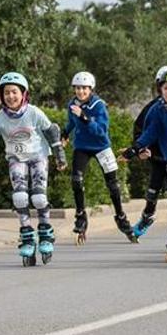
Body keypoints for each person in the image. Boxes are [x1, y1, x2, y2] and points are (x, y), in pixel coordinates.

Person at [0, 73, 66, 264]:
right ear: (1, 96)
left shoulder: (34, 113)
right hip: (16, 159)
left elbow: (52, 132)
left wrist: (60, 156)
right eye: (6, 93)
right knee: (20, 197)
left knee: (38, 197)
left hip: (38, 157)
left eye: (14, 92)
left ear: (24, 94)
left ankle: (45, 233)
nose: (10, 96)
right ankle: (27, 237)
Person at [121, 66, 167, 260]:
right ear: (159, 88)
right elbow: (145, 131)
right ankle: (163, 225)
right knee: (158, 191)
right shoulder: (155, 109)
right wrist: (136, 150)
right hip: (160, 156)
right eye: (165, 88)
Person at [65, 71, 134, 244]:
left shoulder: (99, 105)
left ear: (91, 89)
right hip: (82, 147)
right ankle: (81, 215)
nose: (81, 92)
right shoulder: (73, 104)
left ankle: (120, 216)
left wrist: (85, 118)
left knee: (113, 184)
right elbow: (72, 122)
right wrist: (65, 133)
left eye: (84, 88)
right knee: (76, 180)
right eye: (78, 88)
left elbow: (101, 130)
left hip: (101, 146)